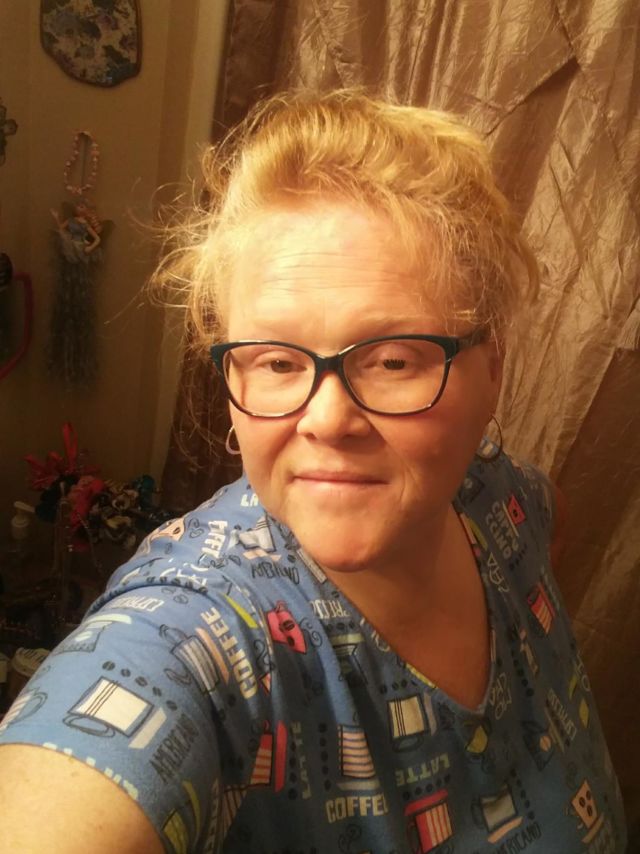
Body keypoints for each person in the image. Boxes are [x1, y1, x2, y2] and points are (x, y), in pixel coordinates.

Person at [0, 91, 627, 853]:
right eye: (276, 362)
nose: (327, 420)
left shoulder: (498, 497)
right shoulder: (200, 631)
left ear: (491, 371)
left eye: (393, 360)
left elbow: (544, 513)